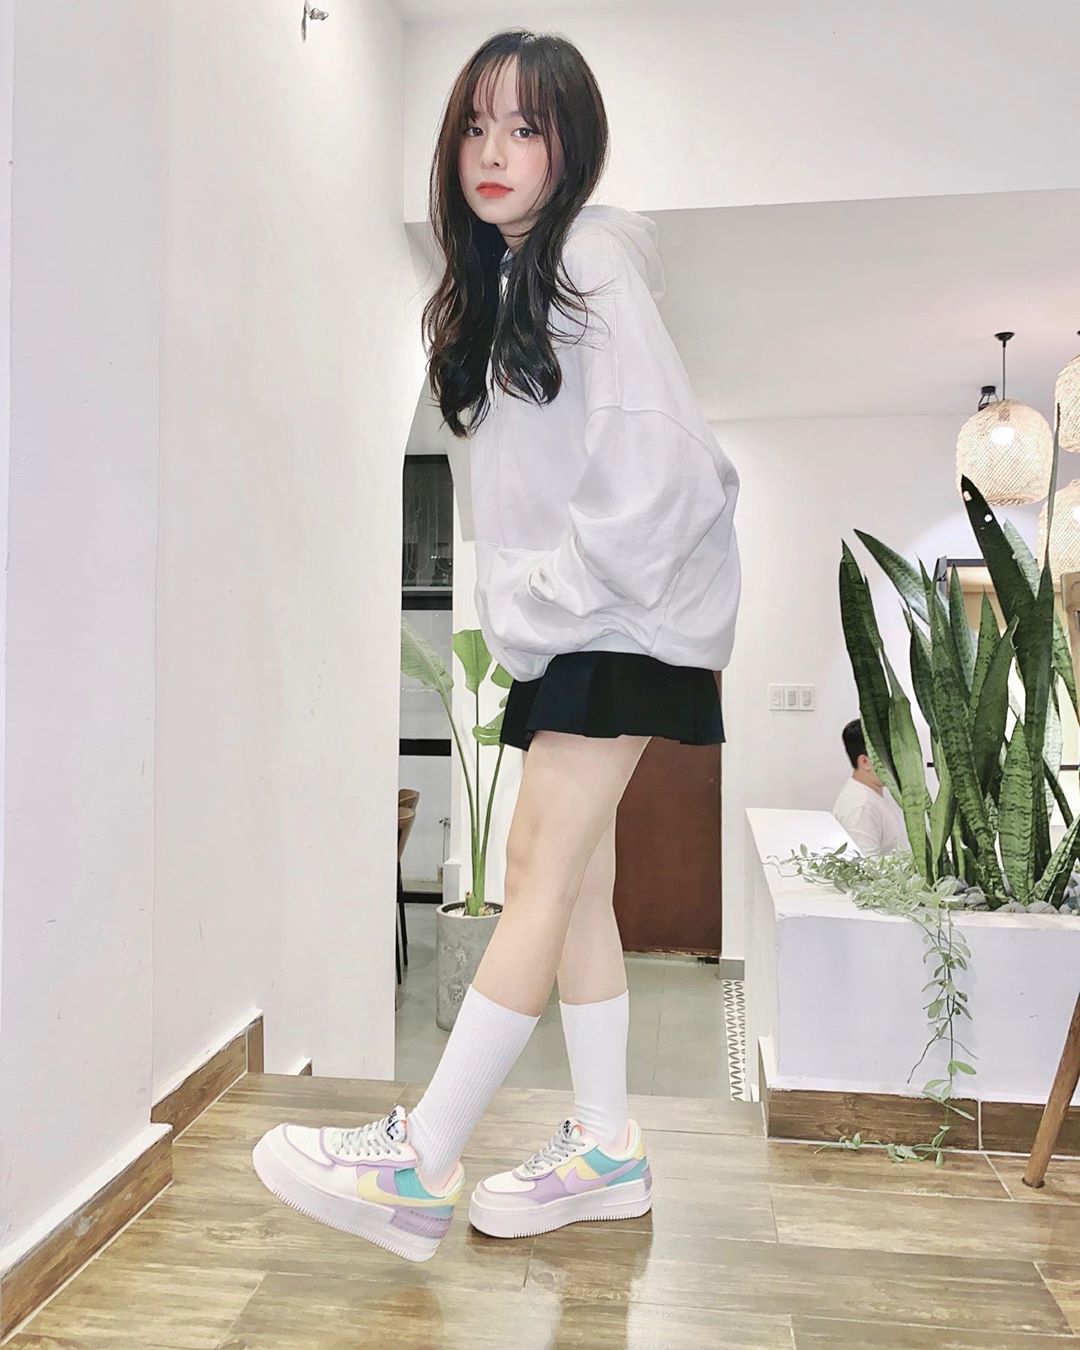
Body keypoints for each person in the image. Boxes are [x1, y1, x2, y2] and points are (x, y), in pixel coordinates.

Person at [251, 28, 741, 1262]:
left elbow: (665, 469)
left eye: (526, 127)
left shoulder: (588, 262)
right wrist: (541, 601)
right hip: (587, 622)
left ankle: (419, 1162)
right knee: (576, 890)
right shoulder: (516, 283)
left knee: (534, 866)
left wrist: (554, 589)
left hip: (615, 616)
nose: (494, 150)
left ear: (571, 146)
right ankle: (608, 1149)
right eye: (476, 126)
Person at [831, 717, 910, 856]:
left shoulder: (870, 795)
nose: (899, 761)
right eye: (891, 755)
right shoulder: (861, 807)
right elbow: (867, 866)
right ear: (865, 762)